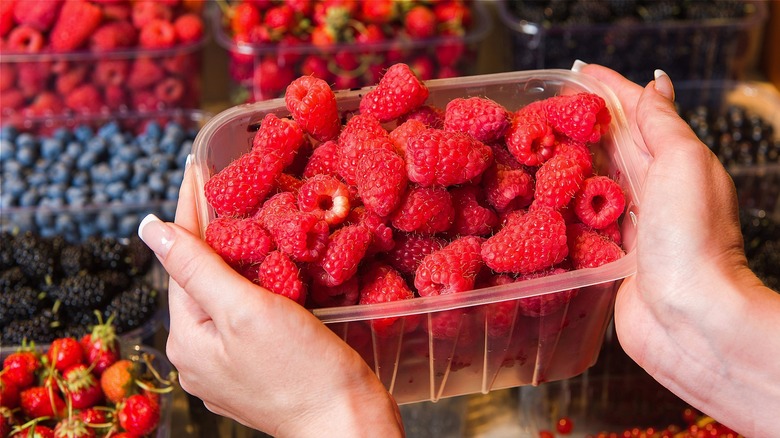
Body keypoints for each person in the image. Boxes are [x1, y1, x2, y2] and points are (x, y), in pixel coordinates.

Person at [137, 63, 780, 437]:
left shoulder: (457, 202)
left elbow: (461, 227)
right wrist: (708, 306)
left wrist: (326, 414)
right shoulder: (363, 186)